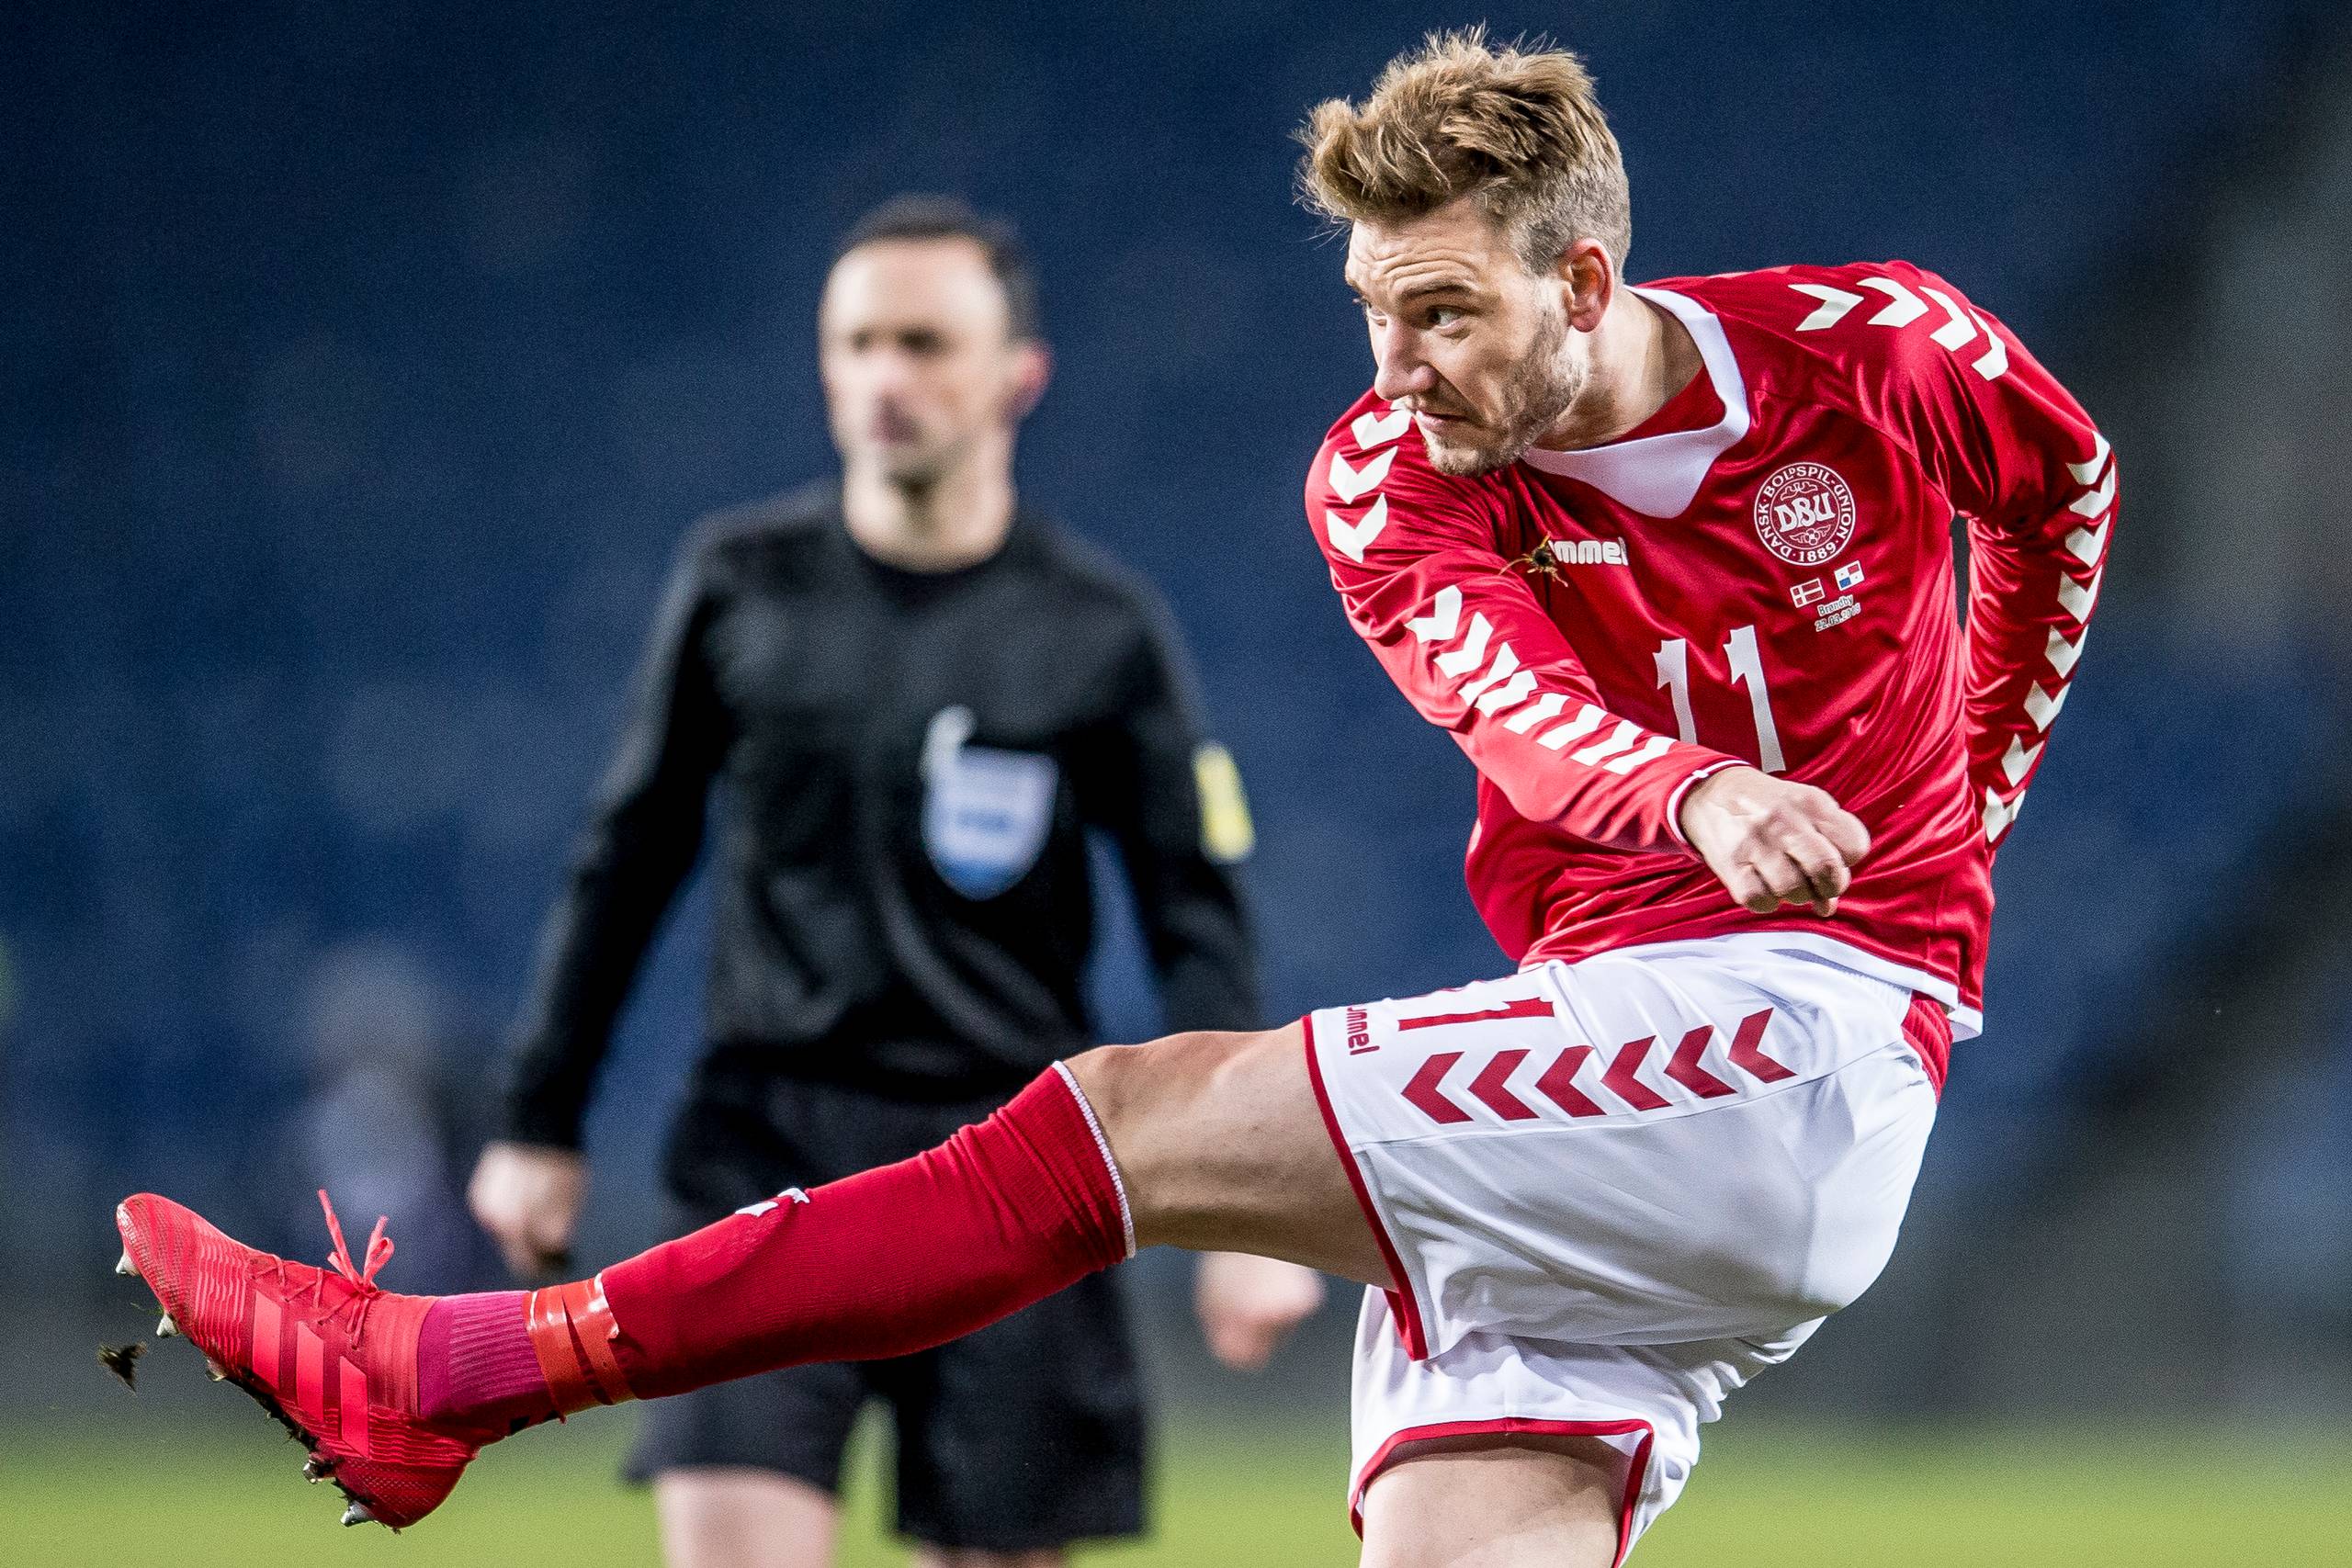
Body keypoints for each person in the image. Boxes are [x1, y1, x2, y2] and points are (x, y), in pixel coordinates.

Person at [115, 31, 2112, 1568]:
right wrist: (1682, 791)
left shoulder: (1870, 353)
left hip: (1787, 1045)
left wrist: (1971, 805)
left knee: (1120, 1115)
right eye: (1366, 309)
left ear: (1583, 276)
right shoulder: (1382, 482)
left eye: (1441, 312)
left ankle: (456, 1375)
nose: (1394, 363)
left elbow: (2062, 489)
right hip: (1628, 1046)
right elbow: (1508, 713)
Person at [474, 193, 1318, 1567]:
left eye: (926, 343)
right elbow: (628, 854)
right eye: (857, 342)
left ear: (1017, 377)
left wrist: (1253, 1205)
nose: (885, 377)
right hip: (767, 1144)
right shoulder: (739, 583)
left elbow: (1195, 922)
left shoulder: (1101, 630)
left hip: (1014, 1161)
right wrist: (539, 1116)